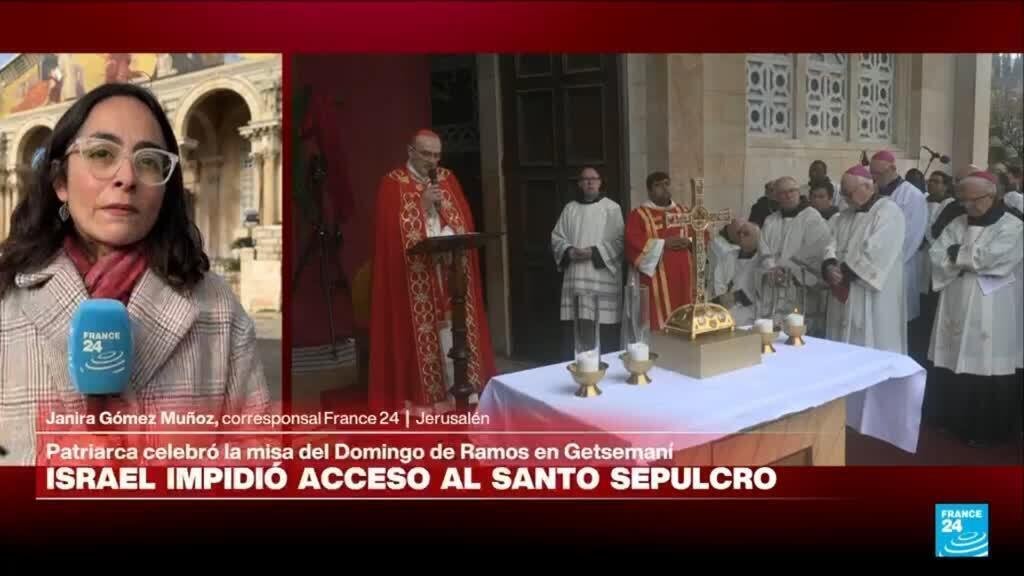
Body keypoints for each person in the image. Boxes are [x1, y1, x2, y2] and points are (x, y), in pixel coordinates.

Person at [0, 83, 270, 465]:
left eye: (147, 161)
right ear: (60, 182)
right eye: (101, 153)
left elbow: (258, 458)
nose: (127, 177)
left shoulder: (217, 309)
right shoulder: (6, 302)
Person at [368, 129, 496, 413]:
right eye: (426, 154)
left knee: (454, 328)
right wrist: (421, 205)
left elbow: (462, 218)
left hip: (449, 270)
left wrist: (449, 223)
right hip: (415, 277)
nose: (433, 161)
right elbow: (390, 235)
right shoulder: (392, 184)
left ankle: (462, 389)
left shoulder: (448, 178)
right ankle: (427, 399)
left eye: (437, 155)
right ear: (410, 151)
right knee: (426, 333)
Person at [928, 171, 1023, 445]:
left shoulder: (1012, 226)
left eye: (972, 200)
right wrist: (964, 259)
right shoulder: (958, 221)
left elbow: (994, 258)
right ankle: (951, 419)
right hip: (955, 299)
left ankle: (984, 430)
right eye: (963, 200)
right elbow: (937, 253)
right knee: (954, 354)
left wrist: (958, 254)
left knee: (985, 357)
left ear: (991, 196)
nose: (967, 206)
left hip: (991, 303)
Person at [822, 165, 907, 354]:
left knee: (872, 344)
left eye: (849, 193)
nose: (845, 199)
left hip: (871, 295)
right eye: (843, 193)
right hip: (843, 291)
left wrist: (843, 272)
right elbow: (831, 243)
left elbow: (877, 251)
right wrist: (828, 265)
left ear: (868, 188)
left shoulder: (888, 212)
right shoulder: (843, 216)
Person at [552, 167, 624, 356]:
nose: (590, 182)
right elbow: (557, 237)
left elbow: (620, 241)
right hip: (576, 278)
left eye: (594, 179)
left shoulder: (612, 208)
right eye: (585, 179)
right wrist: (568, 250)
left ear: (600, 182)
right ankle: (577, 365)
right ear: (580, 184)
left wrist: (593, 252)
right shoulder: (570, 209)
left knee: (602, 328)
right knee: (577, 327)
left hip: (601, 277)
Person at [757, 176, 832, 335]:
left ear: (798, 192)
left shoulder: (812, 218)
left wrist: (787, 269)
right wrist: (772, 269)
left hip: (800, 287)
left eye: (792, 191)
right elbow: (763, 249)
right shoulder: (770, 221)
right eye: (783, 193)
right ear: (776, 196)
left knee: (799, 333)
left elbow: (816, 248)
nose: (788, 195)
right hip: (775, 287)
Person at [623, 171, 694, 332]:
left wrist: (689, 242)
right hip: (655, 281)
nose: (663, 187)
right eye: (657, 185)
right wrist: (663, 244)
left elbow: (702, 235)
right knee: (658, 326)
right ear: (649, 191)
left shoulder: (684, 211)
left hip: (685, 279)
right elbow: (632, 244)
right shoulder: (639, 215)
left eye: (666, 183)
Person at [869, 151, 928, 325]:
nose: (874, 178)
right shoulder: (873, 191)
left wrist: (886, 262)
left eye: (878, 174)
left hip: (899, 267)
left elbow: (912, 237)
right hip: (872, 268)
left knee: (897, 320)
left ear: (893, 169)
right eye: (872, 173)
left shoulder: (913, 196)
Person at [708, 218, 760, 327]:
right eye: (739, 233)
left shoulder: (762, 262)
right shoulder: (729, 256)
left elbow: (759, 295)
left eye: (746, 233)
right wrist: (724, 298)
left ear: (758, 237)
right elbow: (718, 282)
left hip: (750, 319)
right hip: (724, 313)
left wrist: (737, 296)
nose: (741, 236)